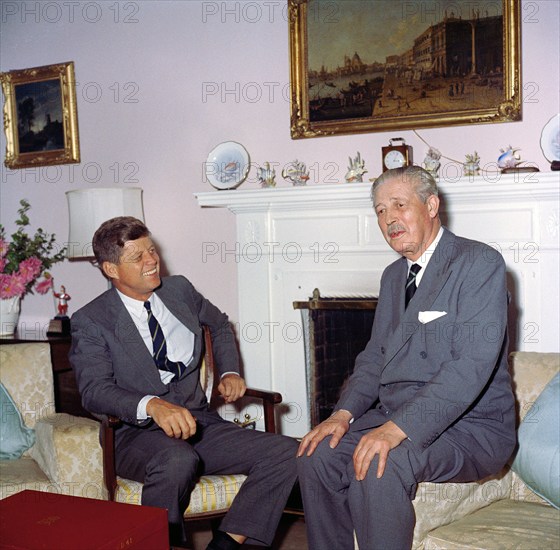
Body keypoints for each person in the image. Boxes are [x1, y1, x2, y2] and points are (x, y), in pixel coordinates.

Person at [296, 166, 516, 550]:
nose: (389, 218)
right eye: (380, 210)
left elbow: (470, 367)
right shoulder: (392, 276)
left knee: (381, 462)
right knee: (317, 454)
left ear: (431, 205)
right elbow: (375, 356)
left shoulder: (478, 263)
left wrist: (396, 429)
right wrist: (342, 415)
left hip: (472, 427)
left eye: (399, 204)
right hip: (394, 415)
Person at [69, 216, 298, 549]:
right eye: (138, 257)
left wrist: (230, 371)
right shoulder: (91, 321)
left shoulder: (179, 290)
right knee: (178, 459)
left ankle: (228, 543)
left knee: (288, 452)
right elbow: (94, 391)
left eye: (152, 250)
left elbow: (219, 325)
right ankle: (160, 543)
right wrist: (152, 405)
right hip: (134, 435)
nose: (151, 261)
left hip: (199, 422)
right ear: (111, 269)